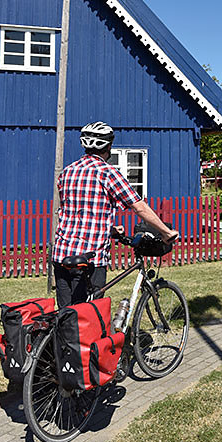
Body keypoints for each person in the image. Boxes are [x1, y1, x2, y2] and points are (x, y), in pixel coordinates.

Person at [52, 121, 178, 308]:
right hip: (90, 259)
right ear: (109, 146)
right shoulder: (107, 173)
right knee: (89, 316)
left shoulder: (67, 173)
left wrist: (109, 230)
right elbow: (139, 207)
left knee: (65, 315)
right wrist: (166, 232)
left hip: (62, 255)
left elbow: (77, 213)